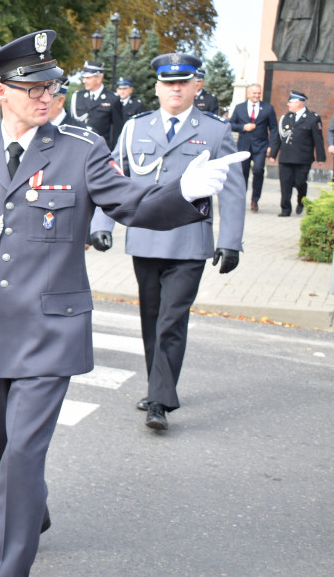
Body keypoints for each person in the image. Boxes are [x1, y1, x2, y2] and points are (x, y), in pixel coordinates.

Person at [0, 32, 243, 577]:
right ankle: (30, 508)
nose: (46, 98)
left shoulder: (80, 147)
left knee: (24, 453)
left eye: (52, 87)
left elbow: (132, 203)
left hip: (51, 327)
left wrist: (185, 191)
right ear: (0, 90)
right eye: (32, 88)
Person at [89, 53, 247, 431]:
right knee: (150, 319)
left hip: (189, 240)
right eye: (168, 83)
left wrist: (231, 241)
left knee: (172, 321)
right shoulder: (134, 128)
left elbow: (234, 190)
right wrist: (102, 222)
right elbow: (114, 178)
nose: (175, 89)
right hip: (145, 238)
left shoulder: (215, 130)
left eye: (183, 82)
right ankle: (155, 384)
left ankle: (160, 399)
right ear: (157, 88)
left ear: (197, 86)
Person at [269, 90, 326, 216]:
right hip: (286, 156)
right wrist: (273, 154)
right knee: (285, 184)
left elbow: (318, 139)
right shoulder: (286, 117)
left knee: (300, 182)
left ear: (299, 103)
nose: (288, 105)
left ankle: (301, 200)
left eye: (291, 102)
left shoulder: (312, 118)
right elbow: (279, 137)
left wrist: (320, 157)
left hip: (303, 158)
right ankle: (285, 209)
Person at [228, 83, 278, 211]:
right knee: (242, 173)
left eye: (259, 93)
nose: (257, 96)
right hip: (244, 145)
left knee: (258, 171)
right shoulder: (240, 108)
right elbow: (231, 124)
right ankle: (240, 198)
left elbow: (273, 128)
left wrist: (271, 145)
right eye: (254, 93)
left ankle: (255, 199)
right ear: (248, 94)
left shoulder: (268, 108)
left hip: (261, 146)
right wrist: (243, 127)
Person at [69, 60, 124, 148]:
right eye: (84, 78)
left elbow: (117, 130)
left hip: (100, 149)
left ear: (99, 78)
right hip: (78, 147)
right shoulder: (77, 96)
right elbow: (70, 124)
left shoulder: (112, 99)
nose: (84, 81)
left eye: (88, 78)